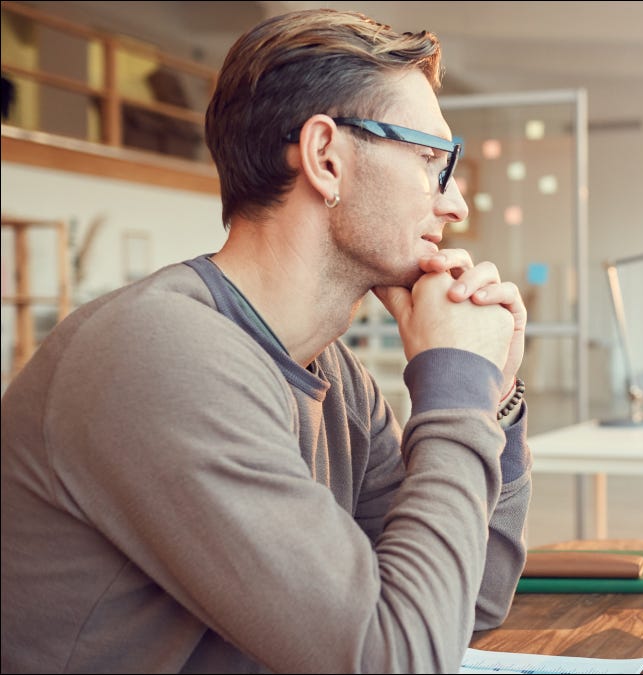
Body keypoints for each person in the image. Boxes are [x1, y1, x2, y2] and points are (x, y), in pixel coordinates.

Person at [0, 8, 531, 673]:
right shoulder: (162, 354)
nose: (455, 205)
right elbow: (398, 660)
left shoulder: (333, 373)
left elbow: (466, 603)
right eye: (430, 160)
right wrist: (453, 380)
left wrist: (494, 396)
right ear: (325, 157)